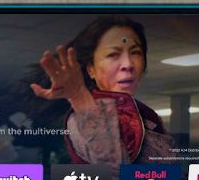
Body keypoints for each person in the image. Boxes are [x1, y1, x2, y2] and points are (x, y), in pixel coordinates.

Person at [30, 16, 176, 167]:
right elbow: (116, 174)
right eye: (113, 55)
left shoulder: (146, 114)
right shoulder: (80, 118)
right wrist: (79, 96)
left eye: (135, 52)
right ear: (91, 69)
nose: (128, 64)